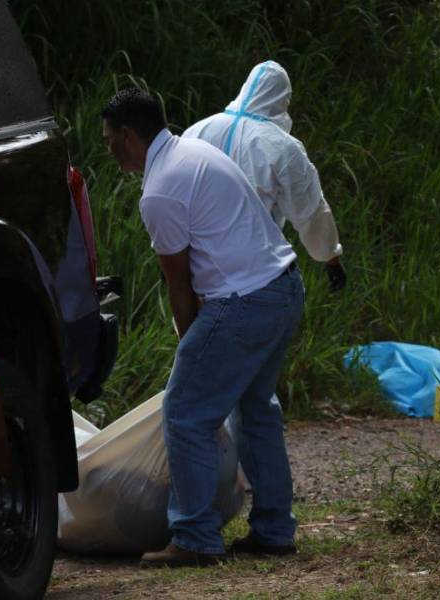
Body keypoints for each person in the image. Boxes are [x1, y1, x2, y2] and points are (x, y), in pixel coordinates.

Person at [101, 87, 304, 567]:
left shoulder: (161, 190)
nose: (107, 148)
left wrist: (190, 350)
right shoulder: (193, 150)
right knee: (256, 409)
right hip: (284, 289)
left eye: (109, 138)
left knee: (187, 411)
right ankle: (274, 530)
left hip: (244, 302)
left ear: (128, 136)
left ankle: (194, 538)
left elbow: (180, 286)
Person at [182, 60, 346, 292]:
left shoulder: (196, 131)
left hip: (195, 269)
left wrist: (171, 256)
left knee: (200, 328)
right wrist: (330, 256)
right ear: (282, 101)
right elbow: (310, 211)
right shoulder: (282, 147)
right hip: (253, 275)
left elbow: (174, 194)